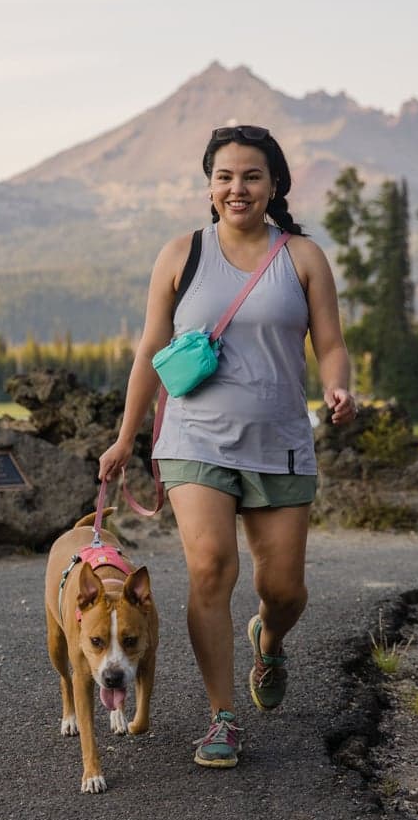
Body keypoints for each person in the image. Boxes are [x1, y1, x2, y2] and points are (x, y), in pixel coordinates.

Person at [98, 124, 356, 769]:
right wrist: (126, 436)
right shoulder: (181, 254)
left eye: (251, 176)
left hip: (280, 443)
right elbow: (150, 350)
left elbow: (330, 343)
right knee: (212, 567)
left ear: (274, 185)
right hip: (195, 440)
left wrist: (338, 387)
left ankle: (268, 640)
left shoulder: (302, 257)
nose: (237, 188)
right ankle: (222, 717)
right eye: (225, 177)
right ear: (210, 186)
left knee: (285, 589)